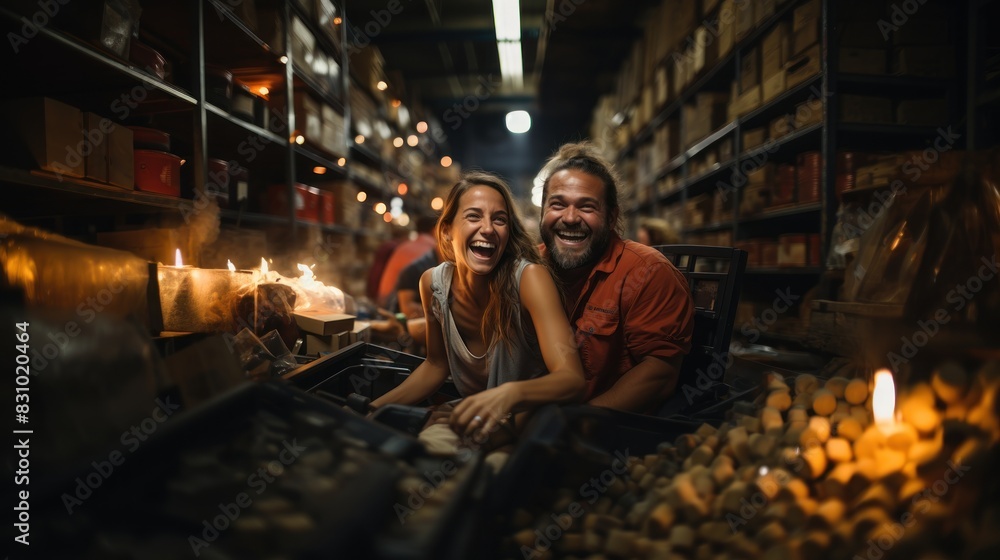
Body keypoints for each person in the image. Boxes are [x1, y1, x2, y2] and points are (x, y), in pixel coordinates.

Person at [371, 172, 586, 440]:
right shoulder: (433, 285)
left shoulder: (529, 279)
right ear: (448, 230)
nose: (487, 228)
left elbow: (572, 379)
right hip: (475, 420)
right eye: (474, 216)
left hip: (527, 427)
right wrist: (373, 409)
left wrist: (510, 394)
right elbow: (436, 366)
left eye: (499, 219)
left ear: (508, 233)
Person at [537, 141, 695, 413]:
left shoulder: (647, 272)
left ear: (611, 218)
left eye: (586, 207)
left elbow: (659, 375)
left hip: (610, 437)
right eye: (557, 205)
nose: (571, 218)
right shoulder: (530, 267)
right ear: (543, 212)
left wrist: (576, 424)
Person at [375, 215, 438, 309]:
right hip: (396, 307)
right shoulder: (430, 251)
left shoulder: (403, 247)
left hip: (382, 301)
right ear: (434, 230)